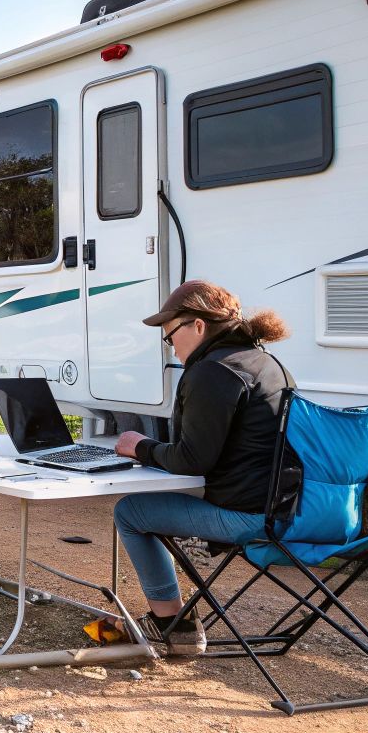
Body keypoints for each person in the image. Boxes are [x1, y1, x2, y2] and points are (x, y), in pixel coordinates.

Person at [109, 280, 293, 655]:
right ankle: (172, 621)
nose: (170, 346)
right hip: (295, 508)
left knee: (131, 511)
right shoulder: (267, 364)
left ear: (197, 326)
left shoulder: (213, 371)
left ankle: (170, 624)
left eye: (170, 335)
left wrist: (139, 447)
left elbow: (193, 460)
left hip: (254, 517)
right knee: (158, 501)